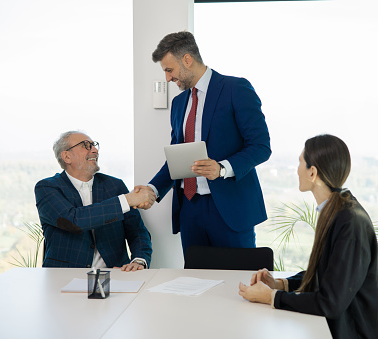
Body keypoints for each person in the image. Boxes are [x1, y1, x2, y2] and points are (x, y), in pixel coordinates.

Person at [238, 134, 378, 339]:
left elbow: (330, 303)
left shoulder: (350, 223)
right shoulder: (337, 210)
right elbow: (327, 276)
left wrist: (272, 297)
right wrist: (281, 284)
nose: (296, 169)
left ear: (312, 172)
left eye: (300, 162)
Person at [139, 31, 271, 254]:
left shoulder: (235, 89)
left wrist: (222, 168)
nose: (168, 79)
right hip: (190, 209)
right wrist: (152, 189)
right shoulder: (179, 103)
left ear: (187, 60)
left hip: (230, 209)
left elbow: (260, 146)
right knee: (195, 283)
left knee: (237, 282)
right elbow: (176, 157)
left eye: (169, 70)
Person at [35, 131, 154, 271]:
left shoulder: (115, 186)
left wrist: (139, 260)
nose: (95, 150)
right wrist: (127, 200)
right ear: (67, 156)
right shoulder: (47, 188)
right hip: (64, 277)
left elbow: (137, 231)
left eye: (94, 145)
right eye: (86, 145)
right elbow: (74, 220)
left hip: (115, 275)